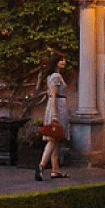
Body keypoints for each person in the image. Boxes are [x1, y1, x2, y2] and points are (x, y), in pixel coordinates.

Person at [36, 53, 70, 181]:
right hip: (57, 107)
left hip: (55, 107)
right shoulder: (56, 76)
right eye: (61, 60)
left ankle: (55, 170)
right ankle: (41, 166)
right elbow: (54, 96)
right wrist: (55, 115)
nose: (63, 62)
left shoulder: (52, 75)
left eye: (64, 59)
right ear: (56, 62)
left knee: (56, 140)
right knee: (53, 140)